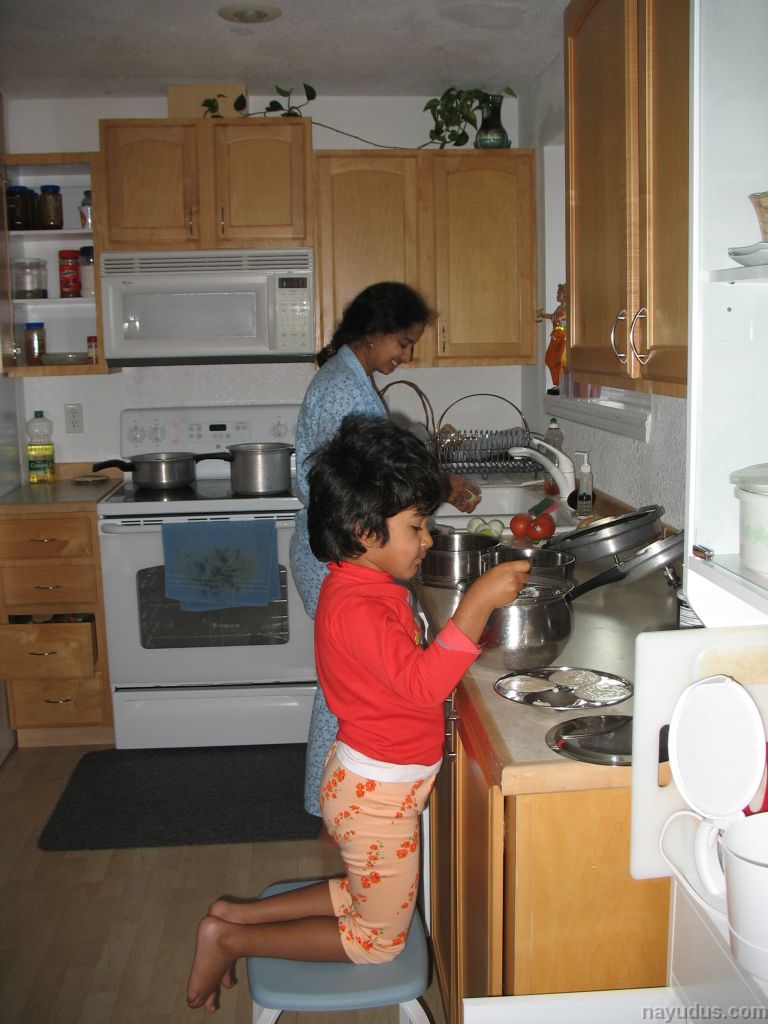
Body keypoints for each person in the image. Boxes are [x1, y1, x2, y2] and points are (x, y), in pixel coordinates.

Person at [186, 415, 529, 1011]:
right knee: (377, 941)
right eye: (416, 527)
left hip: (371, 784)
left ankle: (237, 914)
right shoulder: (358, 608)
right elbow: (423, 686)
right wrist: (476, 603)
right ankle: (230, 938)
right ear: (365, 531)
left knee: (360, 891)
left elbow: (400, 676)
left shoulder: (361, 586)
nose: (427, 540)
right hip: (376, 798)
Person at [290, 281, 482, 818]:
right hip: (335, 553)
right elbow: (367, 483)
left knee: (348, 683)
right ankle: (339, 804)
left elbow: (374, 477)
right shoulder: (342, 389)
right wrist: (437, 485)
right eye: (403, 342)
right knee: (348, 690)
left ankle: (340, 801)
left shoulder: (347, 378)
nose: (407, 356)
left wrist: (435, 483)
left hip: (337, 547)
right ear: (373, 334)